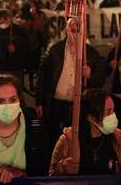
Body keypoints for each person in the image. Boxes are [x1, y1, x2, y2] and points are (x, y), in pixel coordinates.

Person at [36, 18, 104, 154]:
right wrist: (39, 102)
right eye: (71, 28)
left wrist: (90, 75)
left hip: (78, 104)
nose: (74, 32)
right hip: (55, 102)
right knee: (53, 135)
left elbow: (100, 81)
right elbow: (42, 77)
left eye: (77, 29)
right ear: (66, 30)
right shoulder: (54, 50)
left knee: (75, 138)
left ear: (83, 32)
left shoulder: (91, 54)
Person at [49, 89, 121, 180]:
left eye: (113, 111)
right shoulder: (68, 140)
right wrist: (61, 167)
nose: (113, 116)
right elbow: (51, 177)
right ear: (90, 117)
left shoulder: (120, 139)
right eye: (108, 112)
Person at [0, 9, 30, 79]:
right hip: (1, 66)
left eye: (3, 21)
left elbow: (27, 47)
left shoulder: (19, 31)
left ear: (8, 18)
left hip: (15, 67)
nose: (1, 24)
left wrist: (16, 49)